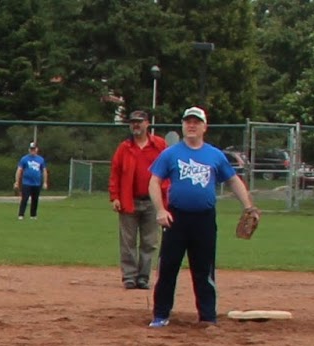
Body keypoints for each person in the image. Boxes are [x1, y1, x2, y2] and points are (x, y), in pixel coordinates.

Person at [146, 107, 257, 328]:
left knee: (204, 270)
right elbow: (154, 181)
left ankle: (207, 316)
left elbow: (233, 180)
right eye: (188, 121)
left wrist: (248, 206)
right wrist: (160, 209)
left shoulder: (214, 155)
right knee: (168, 268)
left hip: (204, 219)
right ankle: (161, 315)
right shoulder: (170, 153)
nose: (191, 125)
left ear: (204, 127)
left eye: (196, 122)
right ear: (182, 125)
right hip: (176, 218)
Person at [108, 110, 167, 290]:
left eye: (139, 122)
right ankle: (129, 277)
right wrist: (115, 197)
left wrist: (165, 199)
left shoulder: (159, 145)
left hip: (152, 201)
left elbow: (168, 171)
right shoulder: (124, 147)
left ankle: (143, 277)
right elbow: (115, 173)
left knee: (150, 242)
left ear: (147, 123)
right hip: (129, 200)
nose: (136, 125)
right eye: (133, 122)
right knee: (128, 241)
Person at [14, 142, 48, 219]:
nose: (32, 151)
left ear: (37, 149)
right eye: (31, 149)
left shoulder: (40, 159)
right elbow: (19, 170)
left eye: (34, 149)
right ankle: (21, 214)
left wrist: (45, 182)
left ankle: (33, 215)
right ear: (29, 150)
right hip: (26, 183)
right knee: (24, 198)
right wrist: (17, 181)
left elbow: (44, 171)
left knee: (35, 199)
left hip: (36, 183)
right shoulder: (24, 159)